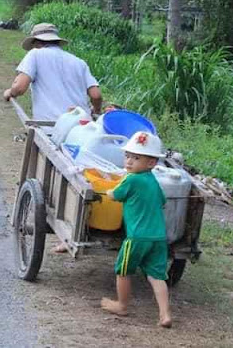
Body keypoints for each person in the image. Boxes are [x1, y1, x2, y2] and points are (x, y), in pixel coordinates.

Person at [101, 131, 172, 328]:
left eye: (136, 158)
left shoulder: (131, 179)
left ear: (151, 163)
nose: (129, 162)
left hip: (136, 238)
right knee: (157, 276)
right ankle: (165, 314)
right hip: (158, 238)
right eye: (128, 156)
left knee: (123, 271)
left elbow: (115, 195)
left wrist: (108, 191)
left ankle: (122, 305)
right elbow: (163, 202)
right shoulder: (153, 181)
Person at [3, 23, 102, 121]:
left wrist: (10, 93)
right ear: (57, 42)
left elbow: (19, 88)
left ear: (36, 43)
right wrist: (96, 110)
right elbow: (96, 95)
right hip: (80, 125)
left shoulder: (35, 54)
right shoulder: (79, 62)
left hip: (50, 126)